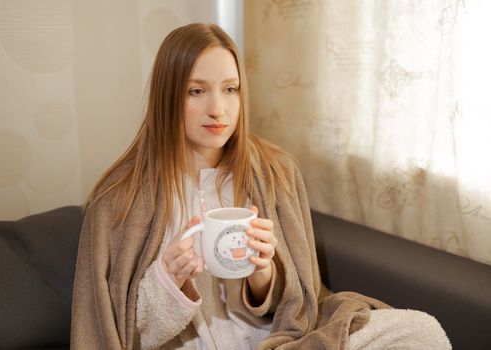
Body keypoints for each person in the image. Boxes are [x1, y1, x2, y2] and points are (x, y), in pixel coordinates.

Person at [71, 23, 451, 349]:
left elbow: (300, 308)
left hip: (276, 342)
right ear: (167, 97)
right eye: (197, 91)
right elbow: (116, 333)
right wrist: (167, 281)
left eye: (230, 89)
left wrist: (264, 273)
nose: (218, 109)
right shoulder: (117, 200)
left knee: (422, 331)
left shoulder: (276, 173)